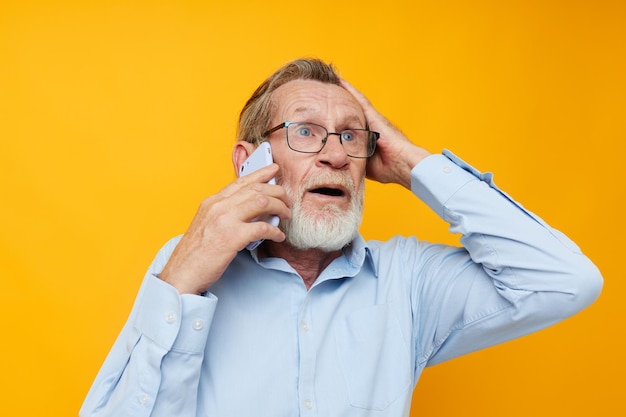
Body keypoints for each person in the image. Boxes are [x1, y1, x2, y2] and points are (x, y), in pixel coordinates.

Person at [80, 58, 603, 417]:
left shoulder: (408, 282)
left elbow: (567, 280)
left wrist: (408, 160)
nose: (335, 155)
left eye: (352, 135)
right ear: (251, 162)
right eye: (305, 131)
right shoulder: (185, 266)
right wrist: (181, 282)